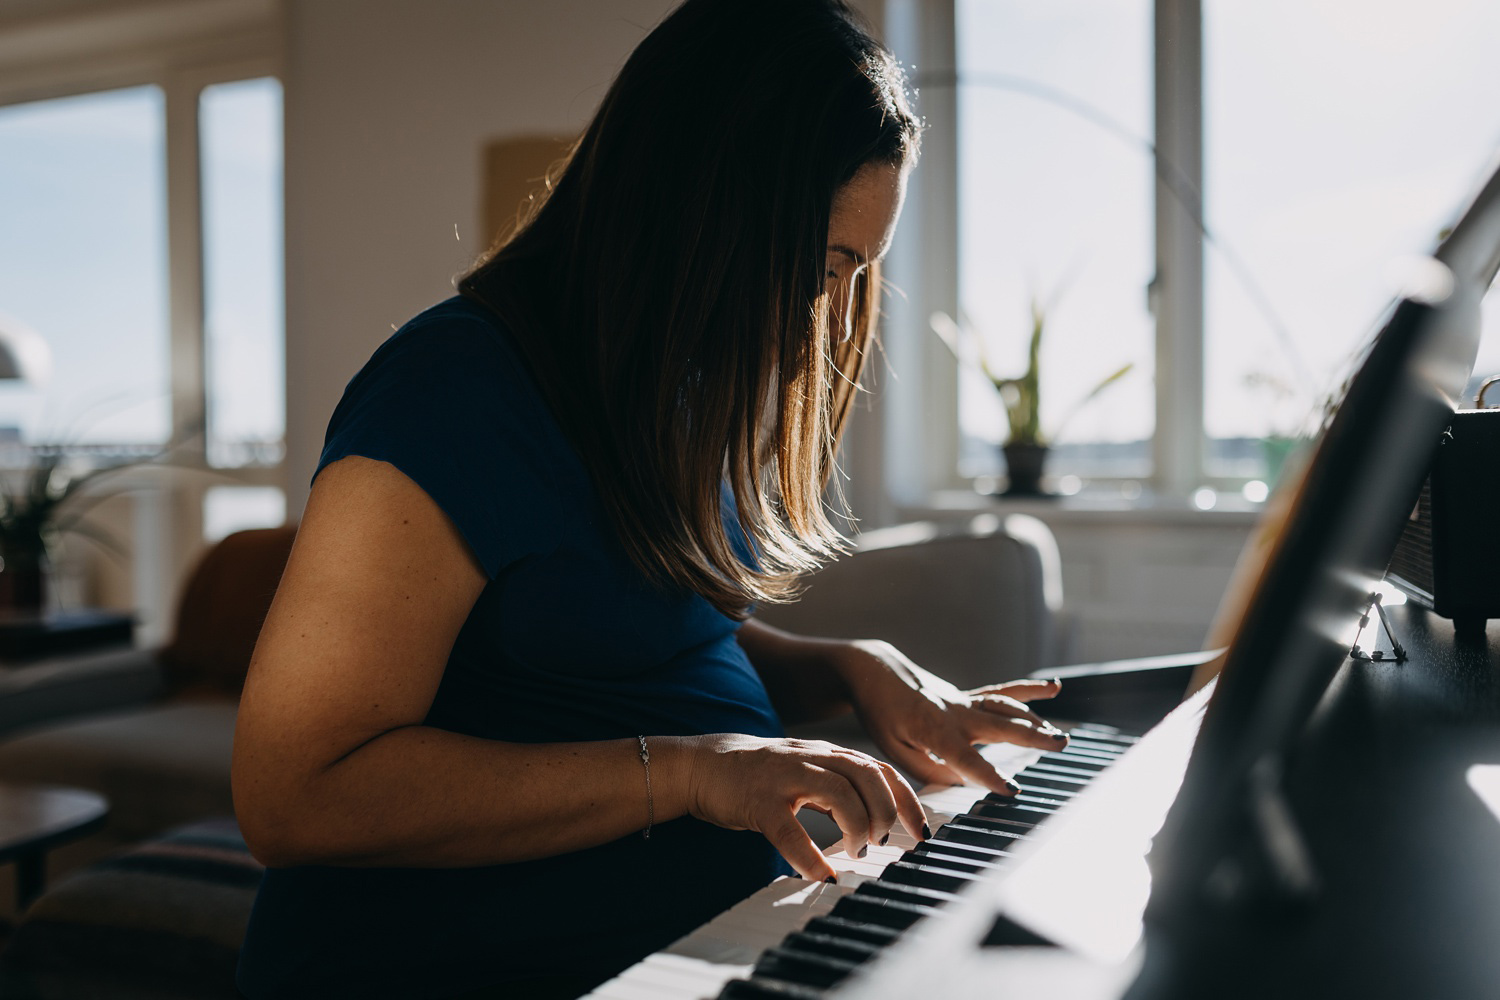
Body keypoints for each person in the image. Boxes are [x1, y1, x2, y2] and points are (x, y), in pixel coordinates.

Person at [232, 1, 1067, 996]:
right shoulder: (448, 392)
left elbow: (623, 635)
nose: (828, 319)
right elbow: (295, 795)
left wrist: (850, 667)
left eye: (856, 278)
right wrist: (692, 769)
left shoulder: (659, 390)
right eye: (823, 267)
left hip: (710, 939)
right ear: (703, 206)